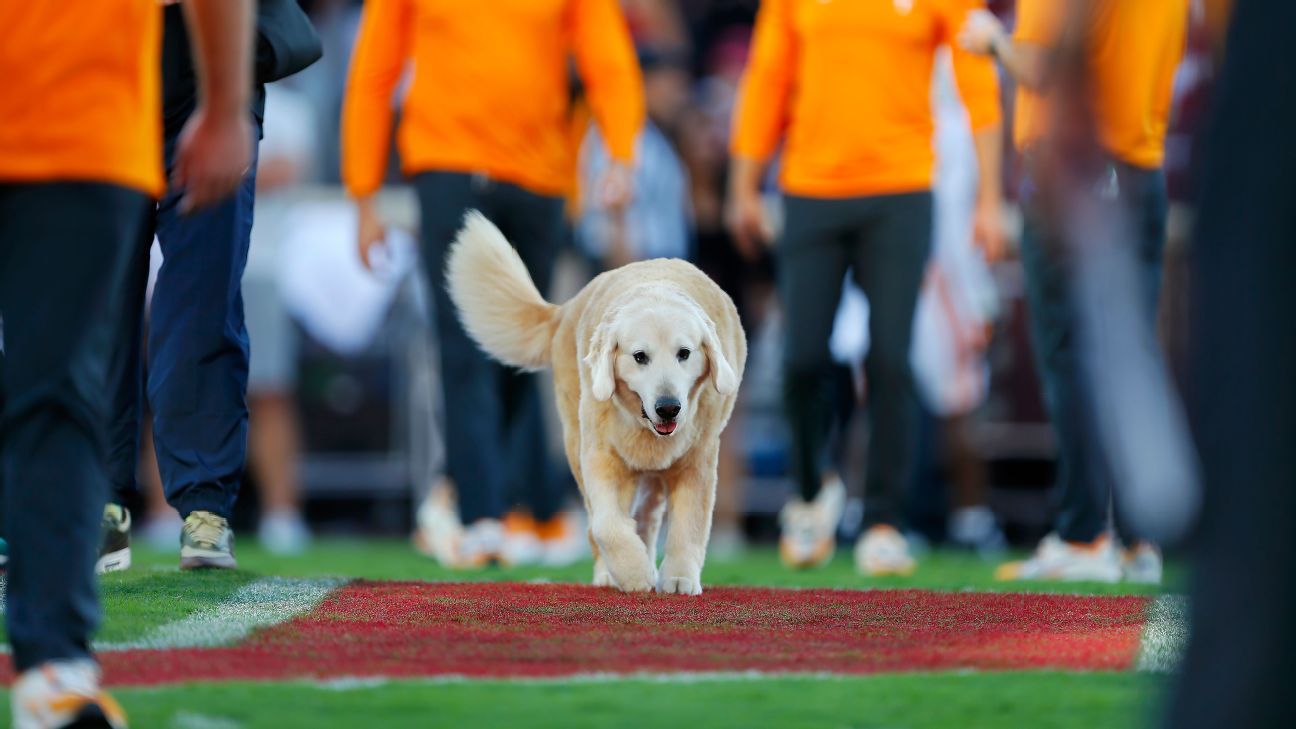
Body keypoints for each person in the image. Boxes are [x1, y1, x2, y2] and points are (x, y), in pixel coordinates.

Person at [0, 0, 254, 724]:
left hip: (84, 115)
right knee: (57, 387)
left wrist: (227, 102)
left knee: (60, 384)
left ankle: (54, 660)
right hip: (92, 111)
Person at [342, 0, 644, 567]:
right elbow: (373, 73)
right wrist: (362, 194)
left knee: (521, 349)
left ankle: (467, 493)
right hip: (448, 166)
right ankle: (480, 516)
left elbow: (610, 61)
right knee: (463, 347)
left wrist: (622, 154)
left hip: (539, 177)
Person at [727, 0, 1004, 575]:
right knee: (801, 358)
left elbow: (975, 73)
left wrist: (990, 197)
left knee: (891, 359)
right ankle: (809, 494)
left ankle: (884, 521)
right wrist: (743, 184)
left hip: (902, 187)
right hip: (810, 186)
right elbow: (768, 76)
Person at [959, 0, 1187, 583]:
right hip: (1142, 165)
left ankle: (1085, 535)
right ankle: (1138, 542)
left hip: (1076, 169)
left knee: (1072, 352)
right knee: (1127, 352)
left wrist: (992, 38)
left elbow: (1039, 66)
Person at [100, 0, 321, 572]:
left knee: (203, 298)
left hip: (205, 64)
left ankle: (204, 507)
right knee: (94, 305)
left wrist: (226, 107)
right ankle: (96, 500)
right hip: (98, 65)